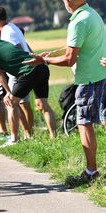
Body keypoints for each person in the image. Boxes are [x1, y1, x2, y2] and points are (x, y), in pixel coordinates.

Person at [23, 0, 106, 183]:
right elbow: (80, 46)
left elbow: (69, 59)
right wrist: (51, 55)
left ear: (68, 1)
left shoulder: (78, 21)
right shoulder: (92, 14)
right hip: (101, 75)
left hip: (88, 79)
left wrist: (44, 61)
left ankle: (91, 172)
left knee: (84, 123)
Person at [0, 28, 57, 145]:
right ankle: (54, 138)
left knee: (11, 103)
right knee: (43, 104)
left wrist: (8, 92)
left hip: (28, 72)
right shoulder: (3, 43)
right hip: (41, 67)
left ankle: (14, 139)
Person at [0, 4, 44, 145]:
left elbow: (16, 49)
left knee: (11, 104)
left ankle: (14, 138)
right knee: (23, 104)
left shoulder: (7, 32)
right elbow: (24, 45)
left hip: (18, 73)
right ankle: (28, 135)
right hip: (25, 70)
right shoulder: (12, 27)